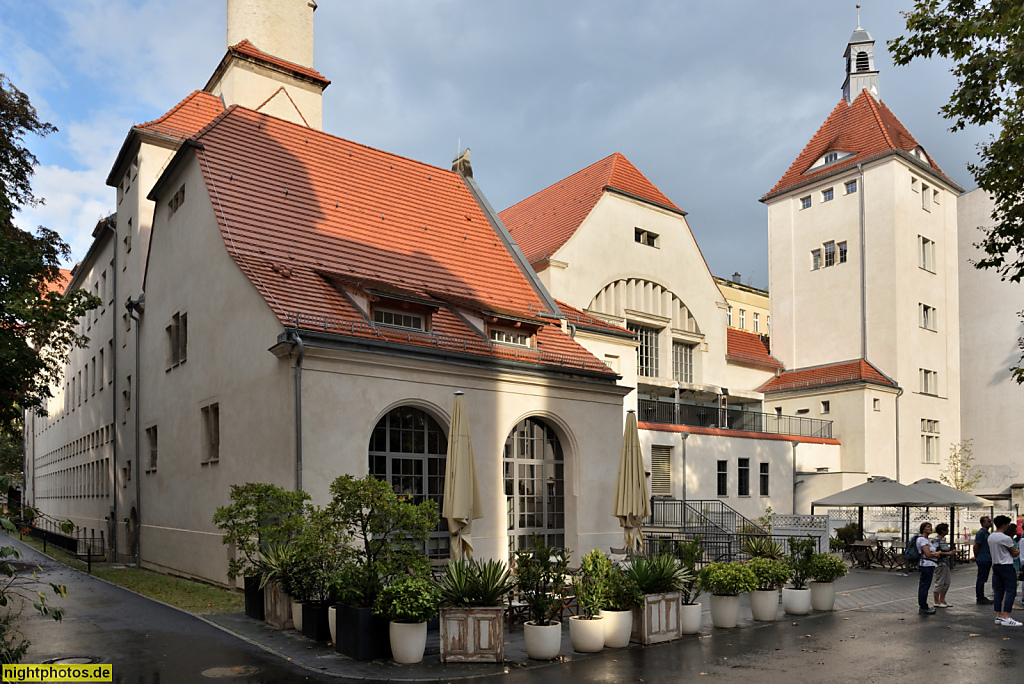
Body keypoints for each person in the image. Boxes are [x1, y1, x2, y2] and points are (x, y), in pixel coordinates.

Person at [988, 515, 1021, 626]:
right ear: (1004, 525)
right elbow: (1014, 551)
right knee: (1011, 590)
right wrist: (1017, 551)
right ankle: (1007, 616)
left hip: (996, 565)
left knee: (999, 591)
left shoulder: (991, 536)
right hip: (1006, 566)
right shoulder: (1005, 538)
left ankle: (998, 616)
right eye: (1007, 524)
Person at [916, 522, 941, 615]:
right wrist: (937, 554)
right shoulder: (923, 540)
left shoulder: (926, 539)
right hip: (926, 565)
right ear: (923, 529)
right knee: (924, 586)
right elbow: (928, 554)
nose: (930, 528)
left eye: (931, 527)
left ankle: (923, 605)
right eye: (928, 527)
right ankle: (923, 606)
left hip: (929, 564)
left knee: (925, 586)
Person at [931, 523, 955, 607]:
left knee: (946, 582)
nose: (948, 531)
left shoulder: (943, 539)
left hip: (945, 562)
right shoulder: (936, 540)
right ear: (942, 530)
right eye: (946, 529)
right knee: (939, 582)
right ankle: (936, 601)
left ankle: (943, 600)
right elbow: (936, 552)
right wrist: (948, 553)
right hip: (940, 563)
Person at [974, 516, 994, 604]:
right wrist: (976, 556)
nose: (990, 523)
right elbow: (976, 545)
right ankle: (980, 597)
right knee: (981, 578)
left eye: (990, 521)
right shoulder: (981, 533)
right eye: (988, 521)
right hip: (983, 558)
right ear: (983, 523)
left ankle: (981, 596)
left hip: (987, 558)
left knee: (983, 578)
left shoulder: (987, 533)